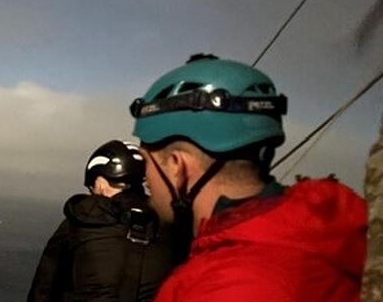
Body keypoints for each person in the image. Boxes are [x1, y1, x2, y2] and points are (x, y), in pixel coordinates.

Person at [129, 53, 367, 301]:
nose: (145, 178)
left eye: (145, 161)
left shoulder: (227, 286)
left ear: (178, 166)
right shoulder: (323, 229)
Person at [28, 140, 174, 302]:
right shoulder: (171, 226)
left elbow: (43, 291)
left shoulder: (80, 220)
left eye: (91, 187)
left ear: (100, 182)